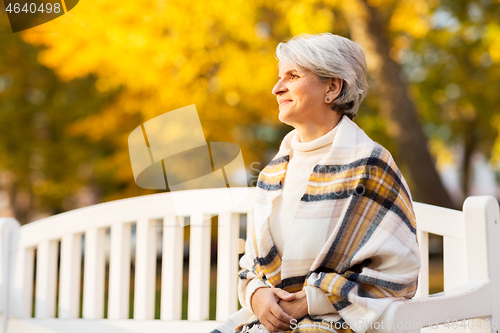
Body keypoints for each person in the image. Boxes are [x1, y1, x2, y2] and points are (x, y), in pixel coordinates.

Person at [212, 33, 420, 333]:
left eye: (292, 76)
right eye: (279, 77)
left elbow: (398, 270)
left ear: (332, 87)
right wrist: (257, 296)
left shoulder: (370, 164)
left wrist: (312, 300)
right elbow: (251, 267)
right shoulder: (272, 173)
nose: (276, 88)